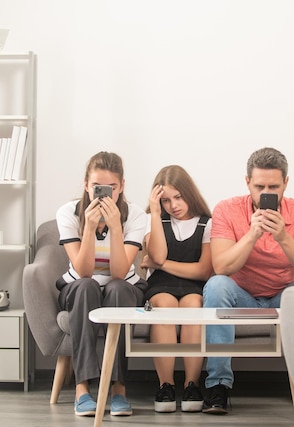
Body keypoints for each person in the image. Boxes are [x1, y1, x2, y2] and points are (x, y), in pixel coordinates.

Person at [201, 147, 294, 414]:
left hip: (284, 296)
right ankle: (217, 385)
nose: (266, 193)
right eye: (259, 186)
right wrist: (252, 234)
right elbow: (221, 266)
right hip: (242, 295)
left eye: (273, 186)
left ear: (286, 184)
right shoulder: (227, 209)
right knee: (216, 285)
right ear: (247, 182)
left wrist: (283, 237)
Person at [55, 151, 147, 417]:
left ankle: (118, 389)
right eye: (97, 187)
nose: (103, 194)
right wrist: (89, 228)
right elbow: (83, 271)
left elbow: (119, 273)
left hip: (123, 286)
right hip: (80, 286)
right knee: (87, 287)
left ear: (121, 187)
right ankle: (82, 389)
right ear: (86, 185)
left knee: (116, 288)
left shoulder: (136, 215)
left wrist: (116, 227)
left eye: (111, 188)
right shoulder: (68, 212)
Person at [141, 165, 213, 413]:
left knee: (194, 306)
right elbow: (158, 255)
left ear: (189, 192)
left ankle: (192, 383)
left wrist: (161, 263)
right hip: (160, 287)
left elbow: (203, 271)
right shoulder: (155, 220)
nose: (173, 205)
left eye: (178, 197)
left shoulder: (207, 223)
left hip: (194, 286)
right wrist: (153, 211)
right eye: (165, 200)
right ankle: (166, 385)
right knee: (166, 306)